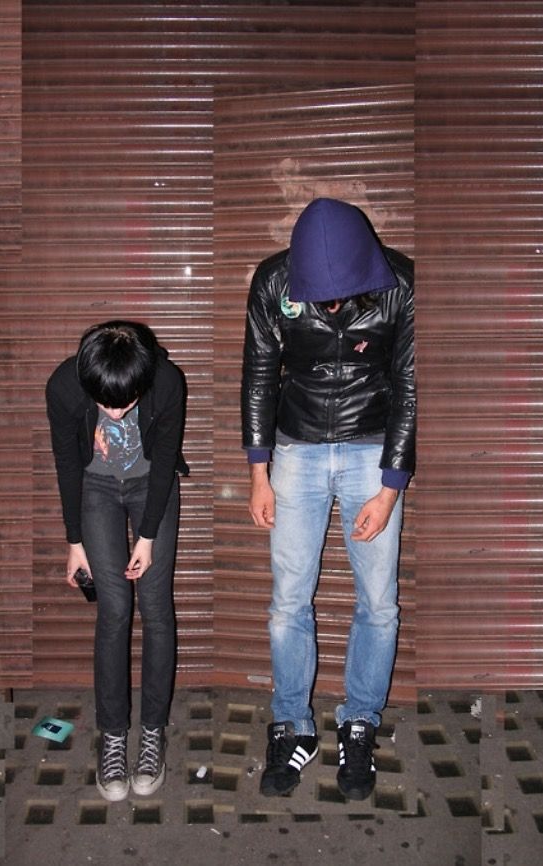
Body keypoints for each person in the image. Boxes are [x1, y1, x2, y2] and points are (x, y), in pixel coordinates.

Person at [241, 198, 415, 801]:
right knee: (287, 599)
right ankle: (293, 723)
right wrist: (259, 472)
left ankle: (361, 720)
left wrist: (391, 488)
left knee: (378, 601)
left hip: (373, 448)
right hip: (298, 448)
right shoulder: (273, 280)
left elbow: (411, 384)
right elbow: (260, 373)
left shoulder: (399, 282)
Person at [46, 320, 188, 802]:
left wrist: (146, 537)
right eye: (105, 402)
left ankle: (152, 733)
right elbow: (66, 462)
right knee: (114, 610)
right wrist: (74, 541)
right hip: (96, 489)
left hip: (154, 485)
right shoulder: (63, 387)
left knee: (155, 607)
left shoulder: (167, 381)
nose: (115, 411)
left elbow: (166, 458)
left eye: (126, 403)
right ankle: (112, 737)